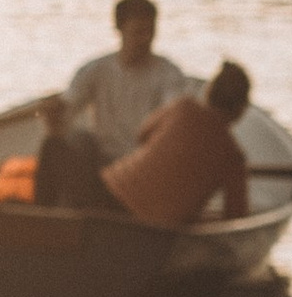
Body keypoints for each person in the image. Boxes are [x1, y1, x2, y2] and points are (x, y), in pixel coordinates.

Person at [34, 0, 195, 204]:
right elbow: (64, 116)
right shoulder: (96, 70)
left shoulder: (168, 74)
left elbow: (174, 121)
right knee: (55, 145)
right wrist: (52, 112)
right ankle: (43, 216)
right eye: (138, 32)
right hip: (101, 164)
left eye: (150, 31)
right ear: (119, 28)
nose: (145, 39)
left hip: (143, 168)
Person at [101, 62, 255, 227]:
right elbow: (236, 217)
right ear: (241, 109)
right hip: (149, 229)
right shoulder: (233, 157)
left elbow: (143, 134)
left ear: (209, 91)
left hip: (107, 191)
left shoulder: (183, 107)